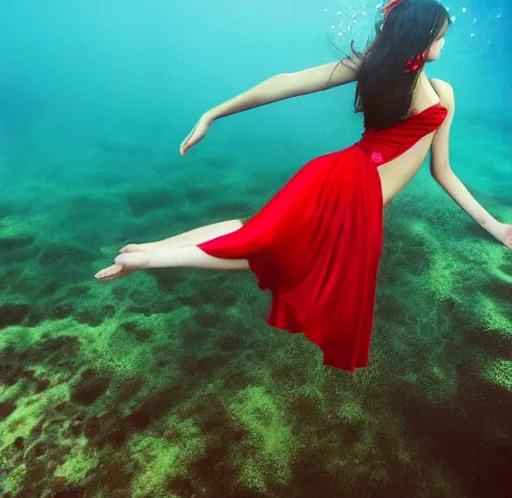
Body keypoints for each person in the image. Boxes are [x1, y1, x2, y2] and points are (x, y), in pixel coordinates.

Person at [95, 0, 512, 372]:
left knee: (251, 231)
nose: (445, 40)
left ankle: (147, 250)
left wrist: (497, 228)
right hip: (356, 198)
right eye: (441, 34)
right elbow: (444, 172)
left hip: (333, 174)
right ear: (422, 39)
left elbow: (285, 82)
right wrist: (213, 113)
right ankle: (150, 261)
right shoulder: (440, 93)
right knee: (266, 254)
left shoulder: (373, 67)